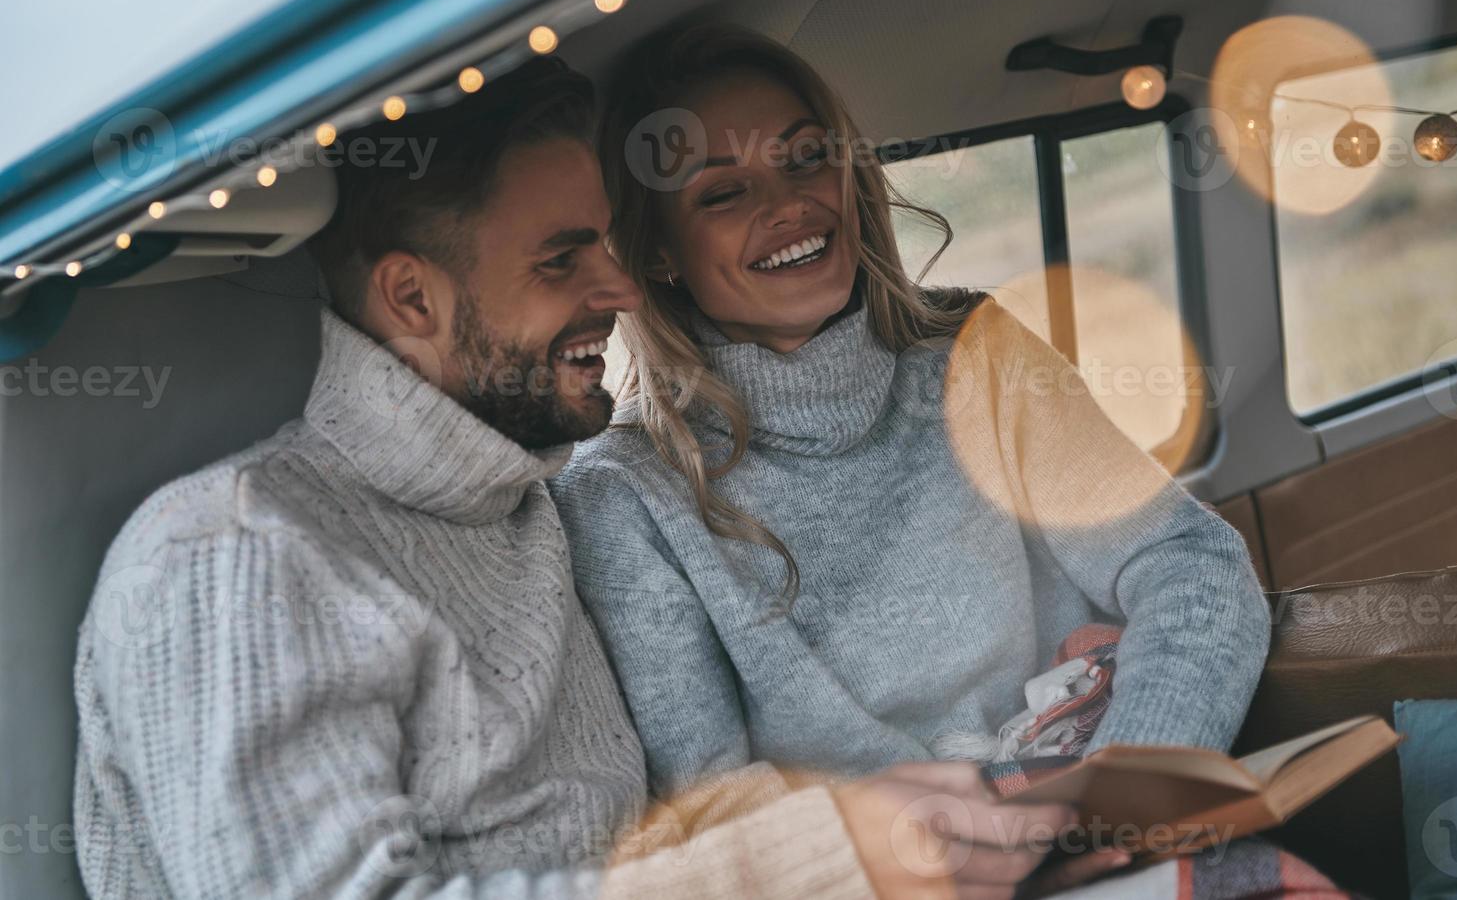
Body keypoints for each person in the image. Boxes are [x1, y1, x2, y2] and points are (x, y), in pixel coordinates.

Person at [71, 56, 1115, 900]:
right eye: (563, 259)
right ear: (412, 299)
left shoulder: (533, 511)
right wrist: (815, 857)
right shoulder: (234, 551)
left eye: (610, 247)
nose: (620, 288)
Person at [551, 25, 1272, 800]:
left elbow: (1192, 563)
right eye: (724, 193)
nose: (789, 205)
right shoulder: (624, 492)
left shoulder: (980, 356)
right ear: (658, 251)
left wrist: (1131, 792)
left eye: (805, 159)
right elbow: (720, 801)